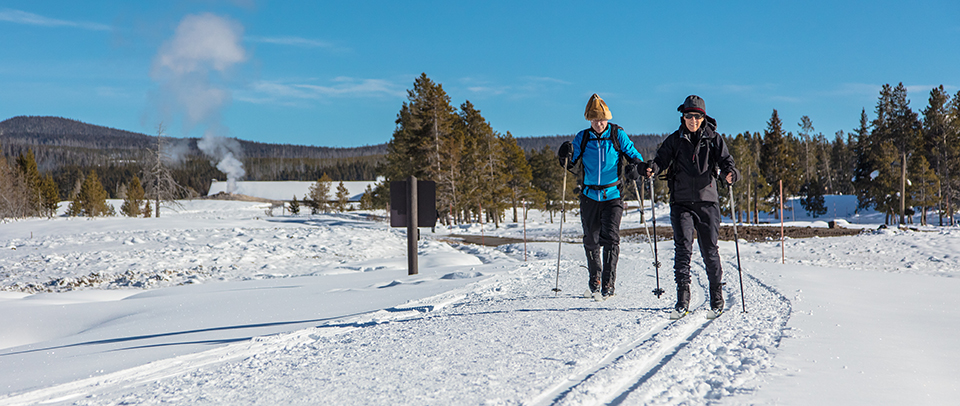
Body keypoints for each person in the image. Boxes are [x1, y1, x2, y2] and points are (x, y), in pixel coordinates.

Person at [643, 95, 738, 315]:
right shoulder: (675, 140)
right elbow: (660, 160)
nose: (692, 120)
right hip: (681, 202)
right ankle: (682, 299)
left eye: (697, 116)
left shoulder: (714, 139)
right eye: (688, 116)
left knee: (709, 251)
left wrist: (731, 174)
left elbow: (727, 163)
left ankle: (716, 298)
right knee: (683, 249)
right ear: (683, 116)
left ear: (703, 117)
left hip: (707, 202)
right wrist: (652, 169)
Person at [557, 94, 645, 300]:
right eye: (595, 120)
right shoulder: (583, 137)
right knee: (591, 238)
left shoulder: (617, 134)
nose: (599, 124)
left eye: (602, 120)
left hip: (612, 194)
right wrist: (564, 156)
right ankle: (595, 279)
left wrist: (636, 167)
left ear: (608, 118)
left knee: (611, 238)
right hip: (589, 195)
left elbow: (634, 155)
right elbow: (570, 163)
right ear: (589, 120)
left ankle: (608, 282)